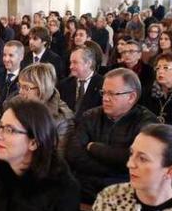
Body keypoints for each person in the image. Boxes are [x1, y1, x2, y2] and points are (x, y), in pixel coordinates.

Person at [66, 68, 157, 202]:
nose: (105, 98)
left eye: (112, 94)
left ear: (131, 97)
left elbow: (134, 161)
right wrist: (115, 168)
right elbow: (73, 154)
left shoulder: (147, 123)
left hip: (125, 196)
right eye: (103, 92)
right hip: (84, 190)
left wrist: (94, 148)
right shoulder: (90, 116)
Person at [58, 47, 103, 117]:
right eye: (71, 62)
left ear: (88, 63)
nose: (70, 66)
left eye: (75, 62)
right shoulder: (64, 85)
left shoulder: (102, 84)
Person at [0, 40, 24, 109]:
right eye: (4, 55)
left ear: (21, 57)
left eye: (11, 55)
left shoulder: (26, 80)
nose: (6, 59)